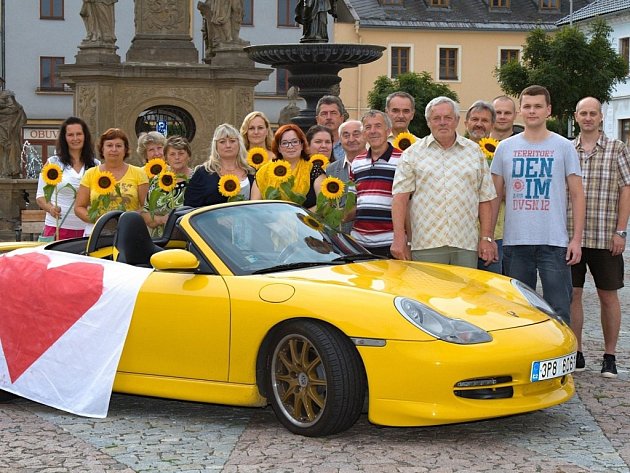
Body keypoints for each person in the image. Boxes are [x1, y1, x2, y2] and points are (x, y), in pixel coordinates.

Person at [490, 85, 585, 326]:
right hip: (516, 242)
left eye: (538, 106)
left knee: (559, 310)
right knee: (517, 311)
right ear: (520, 110)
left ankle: (562, 362)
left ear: (548, 110)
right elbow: (494, 196)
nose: (532, 111)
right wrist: (488, 237)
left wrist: (576, 240)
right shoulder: (505, 148)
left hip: (554, 243)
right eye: (528, 106)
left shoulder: (564, 147)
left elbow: (577, 195)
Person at [391, 97, 497, 268]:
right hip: (427, 244)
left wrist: (486, 238)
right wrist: (398, 238)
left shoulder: (474, 152)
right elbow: (400, 199)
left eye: (448, 117)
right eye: (436, 118)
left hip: (465, 243)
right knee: (428, 294)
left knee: (465, 294)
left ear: (456, 120)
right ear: (428, 122)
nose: (442, 123)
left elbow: (485, 198)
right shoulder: (412, 154)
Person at [570, 96, 630, 377]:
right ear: (576, 116)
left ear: (602, 116)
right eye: (583, 113)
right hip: (572, 236)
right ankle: (577, 353)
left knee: (609, 296)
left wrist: (621, 230)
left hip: (606, 236)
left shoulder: (617, 148)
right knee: (573, 295)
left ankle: (610, 356)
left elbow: (626, 190)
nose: (588, 118)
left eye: (593, 113)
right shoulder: (567, 149)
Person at [347, 110, 402, 257]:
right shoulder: (356, 162)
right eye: (368, 127)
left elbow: (408, 204)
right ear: (363, 133)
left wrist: (403, 240)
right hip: (359, 243)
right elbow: (353, 202)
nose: (373, 131)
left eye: (378, 126)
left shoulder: (402, 160)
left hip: (390, 242)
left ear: (388, 130)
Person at [75, 128, 149, 236]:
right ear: (102, 149)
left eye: (119, 146)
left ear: (125, 150)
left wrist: (127, 219)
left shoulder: (138, 173)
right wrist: (100, 220)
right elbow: (79, 207)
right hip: (97, 232)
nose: (114, 149)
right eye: (109, 145)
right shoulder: (90, 174)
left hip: (129, 231)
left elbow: (146, 207)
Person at [35, 117, 100, 240]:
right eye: (70, 135)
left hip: (87, 230)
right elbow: (40, 196)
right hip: (58, 229)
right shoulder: (53, 163)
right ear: (64, 138)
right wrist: (51, 208)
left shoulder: (96, 165)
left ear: (85, 136)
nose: (75, 138)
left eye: (79, 134)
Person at [463, 100, 503, 274]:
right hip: (462, 235)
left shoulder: (502, 151)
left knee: (493, 289)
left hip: (496, 233)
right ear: (466, 123)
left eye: (485, 120)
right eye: (475, 119)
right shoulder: (454, 151)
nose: (479, 124)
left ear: (492, 125)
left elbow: (509, 191)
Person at [251, 124, 326, 211]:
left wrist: (296, 218)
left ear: (302, 145)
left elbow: (323, 204)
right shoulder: (263, 172)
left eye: (294, 142)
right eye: (285, 143)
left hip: (305, 222)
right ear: (278, 148)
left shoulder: (314, 171)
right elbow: (254, 208)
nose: (290, 146)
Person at [184, 124, 253, 207]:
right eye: (222, 142)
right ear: (215, 146)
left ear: (239, 144)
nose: (228, 145)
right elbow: (189, 206)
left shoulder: (250, 171)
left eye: (232, 141)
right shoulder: (203, 173)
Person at [143, 135, 193, 232]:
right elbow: (145, 213)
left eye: (181, 153)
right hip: (160, 240)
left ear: (188, 156)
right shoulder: (157, 180)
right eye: (172, 154)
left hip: (188, 238)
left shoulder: (196, 179)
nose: (177, 157)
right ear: (166, 158)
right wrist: (161, 220)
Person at [326, 120, 365, 233]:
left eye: (356, 134)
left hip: (371, 237)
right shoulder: (331, 170)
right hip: (341, 238)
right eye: (346, 135)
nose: (351, 139)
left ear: (365, 136)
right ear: (340, 140)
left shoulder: (377, 165)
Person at [0, 90, 27, 178]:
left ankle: (10, 170)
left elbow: (15, 107)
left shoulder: (6, 94)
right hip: (5, 129)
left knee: (10, 148)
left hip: (9, 129)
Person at [316, 95, 347, 162]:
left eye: (333, 113)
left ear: (342, 118)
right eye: (324, 114)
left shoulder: (350, 145)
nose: (329, 117)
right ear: (317, 119)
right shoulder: (309, 147)